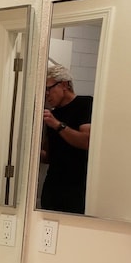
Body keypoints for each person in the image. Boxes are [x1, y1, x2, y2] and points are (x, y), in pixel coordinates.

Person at [40, 64, 92, 214]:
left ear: (64, 84)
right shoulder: (52, 114)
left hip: (77, 186)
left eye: (48, 88)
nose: (46, 94)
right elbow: (48, 156)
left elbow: (87, 141)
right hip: (52, 186)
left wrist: (56, 124)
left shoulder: (85, 104)